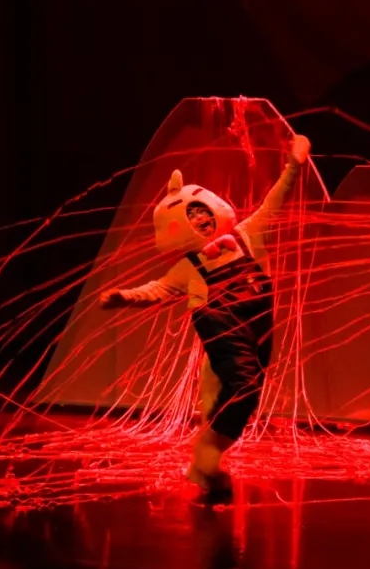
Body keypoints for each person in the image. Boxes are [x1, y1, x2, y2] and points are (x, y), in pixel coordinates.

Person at [100, 134, 311, 495]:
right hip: (222, 328)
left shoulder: (247, 236)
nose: (201, 220)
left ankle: (204, 463)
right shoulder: (190, 266)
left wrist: (294, 165)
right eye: (192, 217)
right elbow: (159, 289)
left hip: (257, 326)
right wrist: (125, 297)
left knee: (235, 393)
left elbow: (275, 200)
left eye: (202, 212)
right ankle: (208, 454)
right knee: (244, 387)